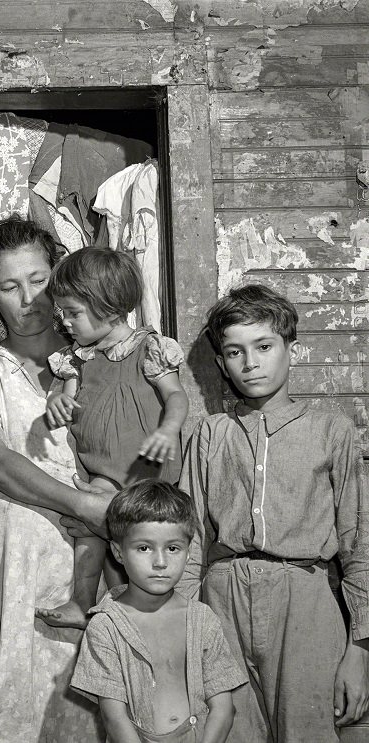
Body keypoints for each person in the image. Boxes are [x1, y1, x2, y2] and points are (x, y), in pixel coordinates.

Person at [0, 215, 109, 742]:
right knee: (18, 711)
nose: (30, 298)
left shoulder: (103, 359)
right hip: (21, 560)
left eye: (40, 280)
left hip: (104, 560)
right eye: (10, 286)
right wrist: (83, 507)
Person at [178, 284, 369, 742]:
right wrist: (179, 628)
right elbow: (187, 540)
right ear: (221, 363)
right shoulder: (209, 433)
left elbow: (359, 543)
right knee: (228, 730)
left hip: (305, 597)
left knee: (312, 730)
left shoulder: (332, 431)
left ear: (292, 349)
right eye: (234, 352)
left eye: (263, 346)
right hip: (221, 598)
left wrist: (360, 651)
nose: (250, 363)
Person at [38, 247, 188, 629]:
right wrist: (57, 402)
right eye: (61, 313)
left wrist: (168, 429)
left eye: (72, 313)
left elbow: (175, 396)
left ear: (107, 306)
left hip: (147, 476)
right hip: (103, 472)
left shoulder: (147, 349)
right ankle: (82, 602)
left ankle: (148, 613)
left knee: (146, 545)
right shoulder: (80, 359)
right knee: (90, 533)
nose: (65, 323)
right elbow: (67, 399)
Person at [71, 480, 246, 743]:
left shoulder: (202, 620)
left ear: (189, 553)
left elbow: (223, 707)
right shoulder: (106, 626)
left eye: (173, 548)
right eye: (144, 548)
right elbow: (114, 717)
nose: (160, 562)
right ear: (119, 552)